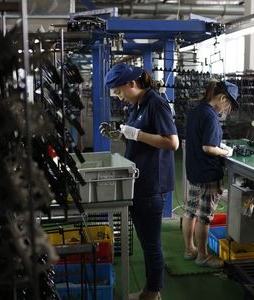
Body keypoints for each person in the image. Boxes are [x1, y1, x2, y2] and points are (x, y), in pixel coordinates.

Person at [100, 63, 179, 300]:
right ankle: (151, 291)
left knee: (151, 244)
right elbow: (139, 141)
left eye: (119, 91)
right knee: (146, 242)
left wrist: (137, 134)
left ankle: (152, 293)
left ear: (131, 84)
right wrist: (120, 134)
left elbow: (172, 142)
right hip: (139, 181)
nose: (119, 97)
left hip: (151, 185)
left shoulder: (156, 103)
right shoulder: (139, 105)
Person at [183, 80, 239, 268]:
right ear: (222, 98)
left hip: (193, 170)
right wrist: (225, 151)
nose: (227, 109)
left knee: (190, 212)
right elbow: (208, 147)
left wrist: (217, 146)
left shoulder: (196, 110)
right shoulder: (211, 116)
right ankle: (203, 255)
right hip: (208, 174)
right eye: (228, 104)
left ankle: (189, 249)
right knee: (204, 216)